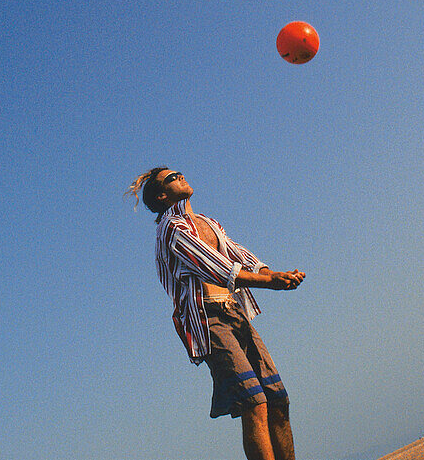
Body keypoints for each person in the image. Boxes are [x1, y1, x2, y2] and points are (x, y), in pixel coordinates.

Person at [129, 167, 305, 460]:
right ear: (161, 195)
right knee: (254, 401)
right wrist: (269, 282)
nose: (180, 177)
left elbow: (238, 254)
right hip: (208, 319)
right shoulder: (172, 229)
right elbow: (215, 266)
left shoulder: (207, 222)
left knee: (277, 400)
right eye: (172, 178)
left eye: (179, 173)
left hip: (235, 312)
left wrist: (272, 272)